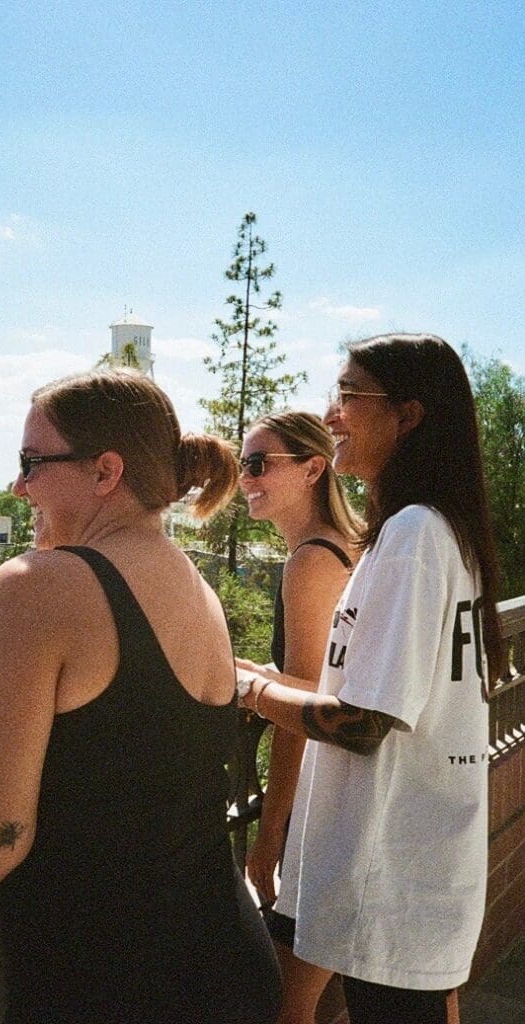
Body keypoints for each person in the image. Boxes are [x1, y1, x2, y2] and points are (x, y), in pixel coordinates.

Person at [0, 368, 282, 1024]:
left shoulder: (33, 586)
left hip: (111, 988)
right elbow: (127, 762)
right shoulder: (194, 588)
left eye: (32, 463)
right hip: (229, 968)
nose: (18, 485)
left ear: (105, 472)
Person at [237, 334, 503, 1024]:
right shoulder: (445, 531)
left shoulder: (415, 534)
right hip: (416, 875)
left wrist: (253, 692)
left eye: (350, 395)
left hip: (391, 880)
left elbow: (362, 725)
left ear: (409, 416)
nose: (331, 413)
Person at [239, 411, 362, 1024]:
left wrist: (270, 834)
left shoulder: (310, 562)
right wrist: (265, 675)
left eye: (259, 464)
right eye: (243, 465)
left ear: (313, 468)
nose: (245, 478)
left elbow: (307, 712)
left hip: (325, 810)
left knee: (287, 1003)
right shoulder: (352, 547)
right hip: (355, 800)